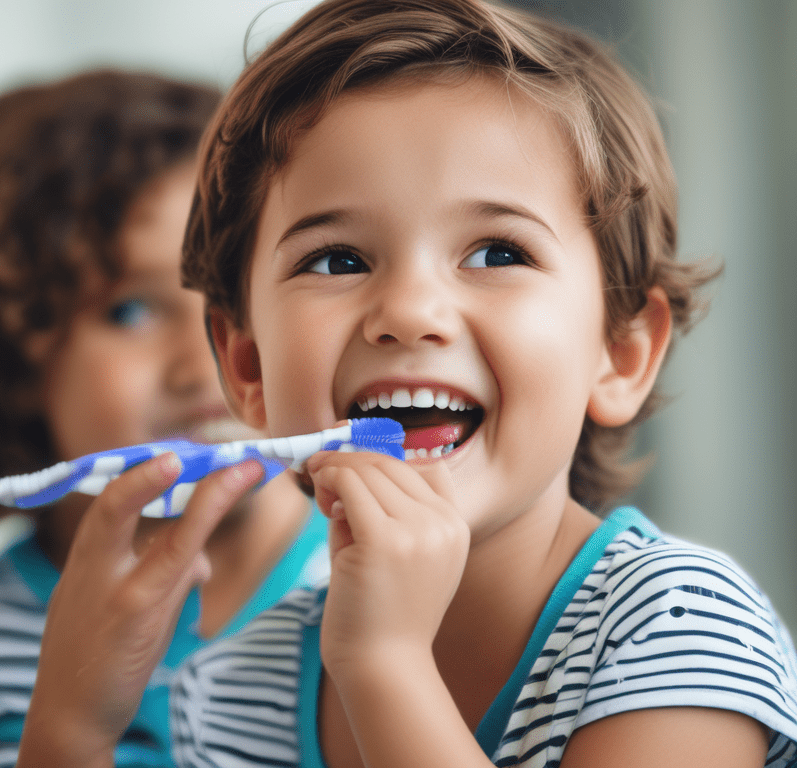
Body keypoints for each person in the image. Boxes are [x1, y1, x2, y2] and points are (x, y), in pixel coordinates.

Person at [160, 1, 797, 766]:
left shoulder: (677, 626)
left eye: (497, 253)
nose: (408, 313)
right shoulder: (230, 688)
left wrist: (385, 666)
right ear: (248, 368)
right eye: (337, 260)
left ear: (620, 353)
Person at [0, 69, 327, 768]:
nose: (204, 359)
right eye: (130, 310)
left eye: (233, 292)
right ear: (5, 357)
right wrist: (69, 732)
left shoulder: (388, 578)